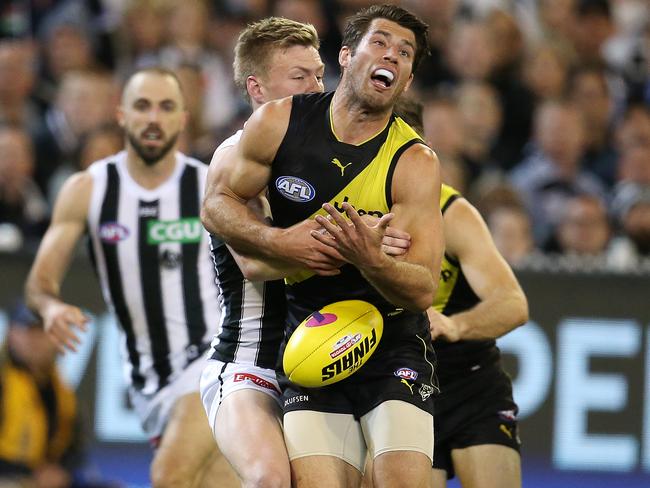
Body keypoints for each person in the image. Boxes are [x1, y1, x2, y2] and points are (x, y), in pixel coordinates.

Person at [201, 5, 443, 488]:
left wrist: (367, 254)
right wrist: (293, 238)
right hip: (304, 339)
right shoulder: (274, 125)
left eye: (404, 53)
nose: (391, 56)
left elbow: (422, 290)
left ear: (409, 78)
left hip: (391, 344)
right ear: (348, 56)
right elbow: (219, 212)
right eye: (381, 43)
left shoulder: (415, 162)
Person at [25, 67, 238, 488]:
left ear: (182, 118)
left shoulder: (209, 185)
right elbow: (38, 283)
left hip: (211, 359)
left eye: (166, 107)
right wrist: (50, 307)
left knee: (169, 475)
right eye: (142, 106)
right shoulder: (88, 189)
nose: (153, 118)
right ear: (121, 114)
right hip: (146, 378)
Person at [393, 100, 529, 488]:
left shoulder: (452, 211)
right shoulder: (352, 207)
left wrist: (454, 323)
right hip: (401, 381)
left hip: (470, 380)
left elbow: (513, 304)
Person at [0, 302, 79, 488]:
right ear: (11, 334)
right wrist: (30, 474)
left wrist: (61, 472)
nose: (35, 339)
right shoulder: (3, 382)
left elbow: (73, 450)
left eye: (43, 330)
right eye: (27, 330)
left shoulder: (60, 389)